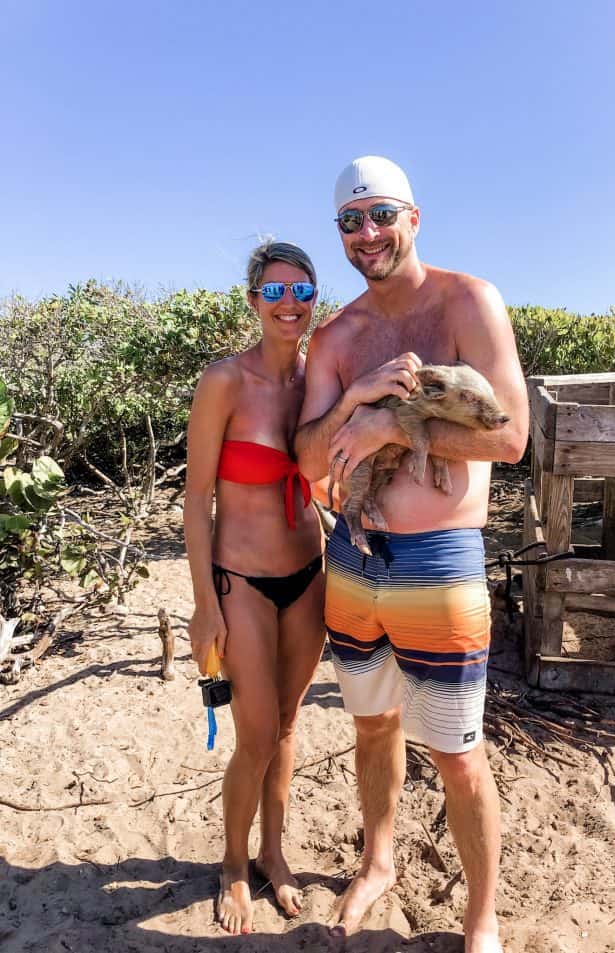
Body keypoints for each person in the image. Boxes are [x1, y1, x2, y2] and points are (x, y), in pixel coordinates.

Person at [294, 157, 529, 953]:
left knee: (457, 755)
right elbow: (306, 457)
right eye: (351, 222)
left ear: (413, 216)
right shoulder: (337, 338)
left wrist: (396, 428)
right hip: (353, 562)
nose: (367, 233)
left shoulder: (467, 301)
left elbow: (509, 435)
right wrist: (359, 399)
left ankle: (480, 917)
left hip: (440, 560)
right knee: (370, 728)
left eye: (381, 215)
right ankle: (378, 861)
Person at [184, 240, 326, 936]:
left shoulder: (317, 379)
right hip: (240, 580)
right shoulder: (225, 381)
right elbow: (194, 500)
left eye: (301, 291)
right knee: (256, 733)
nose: (289, 304)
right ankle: (234, 863)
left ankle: (273, 849)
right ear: (252, 302)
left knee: (291, 726)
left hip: (309, 575)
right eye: (274, 292)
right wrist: (204, 603)